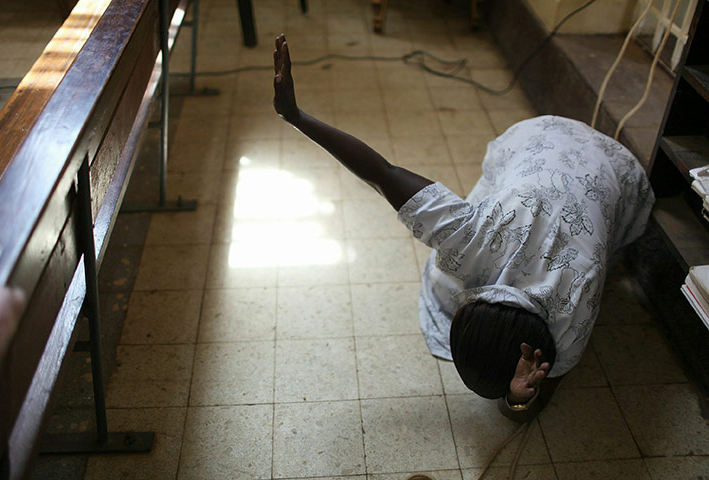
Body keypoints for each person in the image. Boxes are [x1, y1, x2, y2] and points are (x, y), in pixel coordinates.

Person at [271, 34, 654, 420]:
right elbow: (382, 173)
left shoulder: (576, 309)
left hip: (615, 170)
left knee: (596, 239)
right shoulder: (470, 237)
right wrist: (296, 116)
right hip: (538, 139)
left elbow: (524, 411)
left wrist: (521, 398)